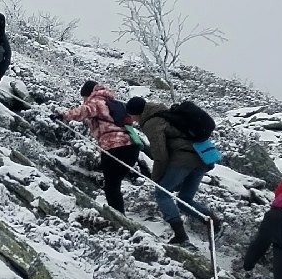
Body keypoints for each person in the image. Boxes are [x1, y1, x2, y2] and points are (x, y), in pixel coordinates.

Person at [137, 99, 218, 245]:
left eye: (131, 117)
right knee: (185, 199)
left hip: (184, 159)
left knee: (162, 193)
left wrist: (156, 179)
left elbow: (160, 155)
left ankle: (181, 236)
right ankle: (215, 222)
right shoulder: (168, 114)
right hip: (203, 158)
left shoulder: (152, 123)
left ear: (136, 114)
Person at [62, 82, 139, 210]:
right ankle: (119, 215)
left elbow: (85, 111)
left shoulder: (97, 101)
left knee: (111, 187)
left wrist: (63, 115)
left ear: (88, 94)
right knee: (114, 184)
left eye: (84, 98)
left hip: (113, 147)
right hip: (131, 148)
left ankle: (118, 219)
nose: (84, 101)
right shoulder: (114, 104)